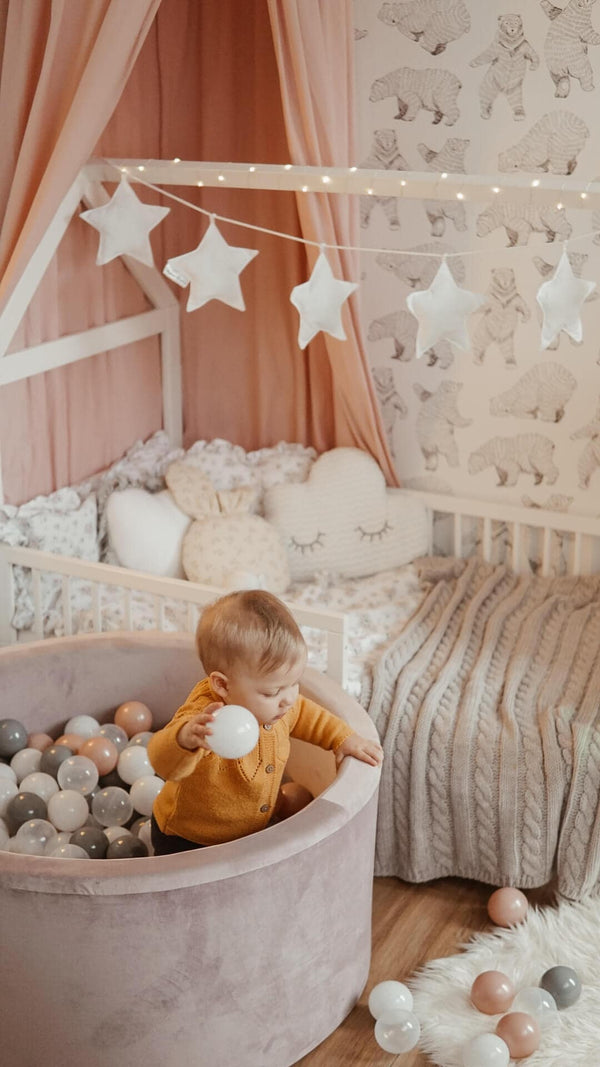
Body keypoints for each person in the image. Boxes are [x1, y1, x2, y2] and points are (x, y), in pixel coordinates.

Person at [147, 589, 383, 854]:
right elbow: (161, 759)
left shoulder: (279, 706)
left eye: (294, 683)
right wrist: (184, 738)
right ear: (223, 685)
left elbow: (307, 715)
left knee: (298, 801)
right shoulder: (206, 721)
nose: (288, 699)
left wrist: (343, 738)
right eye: (272, 692)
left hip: (251, 830)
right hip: (190, 839)